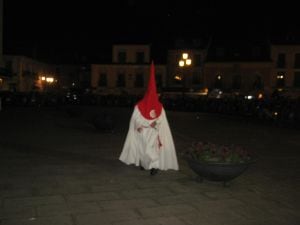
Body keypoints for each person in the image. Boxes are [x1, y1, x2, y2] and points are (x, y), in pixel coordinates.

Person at [119, 61, 179, 175]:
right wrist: (140, 125)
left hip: (153, 132)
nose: (157, 96)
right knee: (142, 149)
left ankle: (154, 166)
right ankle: (144, 163)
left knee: (152, 149)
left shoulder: (160, 107)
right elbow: (135, 119)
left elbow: (161, 120)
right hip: (142, 132)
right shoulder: (139, 106)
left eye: (158, 95)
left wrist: (155, 124)